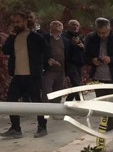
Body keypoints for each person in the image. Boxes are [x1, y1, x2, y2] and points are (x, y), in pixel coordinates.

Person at [2, 10, 51, 138]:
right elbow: (5, 50)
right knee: (11, 101)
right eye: (14, 22)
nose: (16, 24)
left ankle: (42, 127)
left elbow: (47, 49)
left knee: (36, 102)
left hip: (32, 76)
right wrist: (11, 35)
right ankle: (15, 129)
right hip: (18, 75)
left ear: (25, 21)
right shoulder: (14, 37)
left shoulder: (35, 37)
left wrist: (49, 60)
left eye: (18, 22)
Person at [84, 18, 113, 129]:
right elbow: (85, 57)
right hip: (99, 79)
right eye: (99, 33)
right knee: (103, 106)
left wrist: (111, 60)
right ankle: (108, 127)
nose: (102, 35)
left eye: (104, 33)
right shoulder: (91, 39)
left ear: (109, 29)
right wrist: (92, 61)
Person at [41, 20, 72, 98]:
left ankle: (55, 109)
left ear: (62, 28)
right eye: (55, 24)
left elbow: (68, 55)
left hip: (61, 71)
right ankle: (45, 109)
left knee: (58, 93)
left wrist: (67, 71)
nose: (57, 25)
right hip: (48, 70)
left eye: (59, 24)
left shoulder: (66, 40)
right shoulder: (44, 38)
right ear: (50, 27)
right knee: (47, 92)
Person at [65, 19, 86, 91]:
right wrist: (72, 44)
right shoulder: (65, 37)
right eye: (73, 25)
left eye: (77, 25)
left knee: (77, 85)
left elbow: (85, 49)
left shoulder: (80, 37)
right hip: (70, 63)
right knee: (77, 84)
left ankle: (70, 100)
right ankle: (80, 100)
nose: (75, 27)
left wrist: (82, 46)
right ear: (69, 26)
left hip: (79, 64)